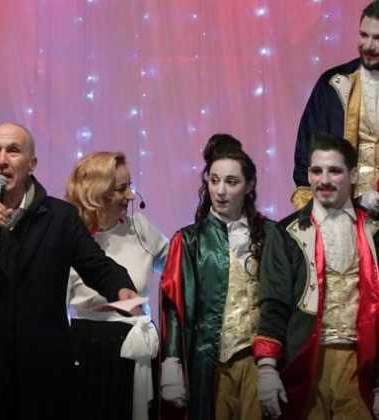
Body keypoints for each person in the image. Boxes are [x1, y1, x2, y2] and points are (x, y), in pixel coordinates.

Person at [0, 122, 137, 420]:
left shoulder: (60, 217)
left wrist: (121, 287)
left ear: (32, 164)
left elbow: (96, 265)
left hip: (41, 374)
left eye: (13, 151)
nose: (1, 160)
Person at [254, 132, 379, 419]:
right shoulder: (285, 233)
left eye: (334, 171)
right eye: (316, 171)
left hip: (360, 365)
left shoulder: (375, 232)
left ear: (353, 174)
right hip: (306, 363)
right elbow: (274, 304)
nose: (324, 180)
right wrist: (267, 368)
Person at [160, 134, 274, 420]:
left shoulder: (270, 235)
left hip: (256, 359)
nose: (220, 191)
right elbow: (174, 306)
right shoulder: (189, 240)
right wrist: (172, 363)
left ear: (249, 186)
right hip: (209, 362)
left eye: (231, 182)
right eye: (214, 180)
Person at [64, 151, 167, 420]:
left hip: (138, 348)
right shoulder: (70, 238)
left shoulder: (141, 229)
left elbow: (178, 269)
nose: (130, 196)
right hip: (89, 352)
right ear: (96, 194)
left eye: (129, 186)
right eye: (121, 189)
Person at [292, 1, 379, 208]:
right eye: (364, 35)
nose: (368, 45)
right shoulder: (332, 85)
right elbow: (307, 156)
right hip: (342, 213)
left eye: (377, 38)